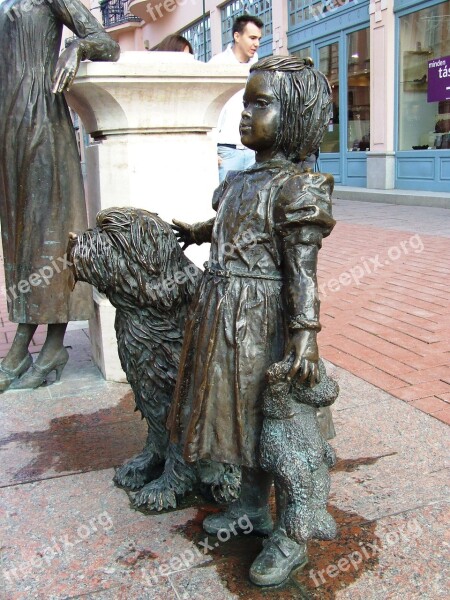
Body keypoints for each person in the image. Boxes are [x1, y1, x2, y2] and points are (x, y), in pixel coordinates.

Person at [168, 56, 335, 585]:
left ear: (296, 116)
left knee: (274, 426)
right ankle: (251, 505)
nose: (246, 114)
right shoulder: (239, 182)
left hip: (263, 322)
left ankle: (291, 532)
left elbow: (302, 271)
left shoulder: (298, 189)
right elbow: (229, 225)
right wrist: (200, 232)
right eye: (246, 103)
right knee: (240, 421)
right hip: (222, 316)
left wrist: (305, 337)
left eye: (260, 104)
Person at [0, 0, 120, 391]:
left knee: (47, 232)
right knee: (17, 239)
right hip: (7, 122)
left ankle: (46, 343)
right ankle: (26, 341)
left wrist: (77, 47)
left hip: (40, 117)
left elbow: (105, 42)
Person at [208, 14, 263, 181]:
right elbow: (209, 109)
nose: (257, 44)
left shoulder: (259, 68)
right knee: (224, 203)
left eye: (259, 39)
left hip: (253, 151)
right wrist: (210, 151)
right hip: (226, 152)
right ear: (237, 36)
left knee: (252, 204)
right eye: (252, 37)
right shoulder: (217, 65)